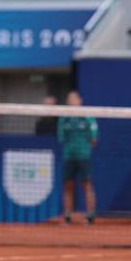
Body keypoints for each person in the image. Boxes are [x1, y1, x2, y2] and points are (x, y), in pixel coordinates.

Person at [57, 90, 97, 224]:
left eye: (74, 98)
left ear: (80, 101)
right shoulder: (64, 118)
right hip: (69, 156)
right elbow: (62, 138)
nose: (71, 101)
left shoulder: (88, 117)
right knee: (68, 185)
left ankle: (90, 216)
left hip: (84, 156)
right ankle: (67, 216)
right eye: (69, 99)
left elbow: (94, 139)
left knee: (86, 184)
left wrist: (84, 149)